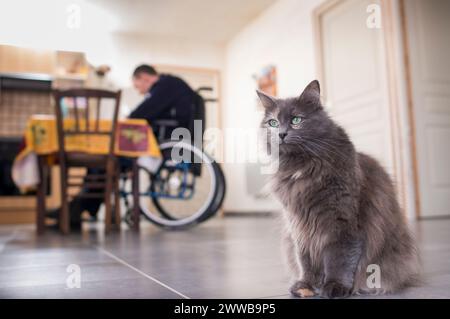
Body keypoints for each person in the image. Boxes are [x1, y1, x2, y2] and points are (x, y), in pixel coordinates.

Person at [48, 65, 196, 229]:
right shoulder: (170, 85)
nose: (140, 92)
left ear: (145, 78)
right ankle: (79, 208)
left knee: (104, 162)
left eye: (138, 86)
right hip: (167, 136)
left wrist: (128, 118)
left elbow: (142, 112)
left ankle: (78, 209)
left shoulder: (165, 85)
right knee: (105, 162)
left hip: (167, 139)